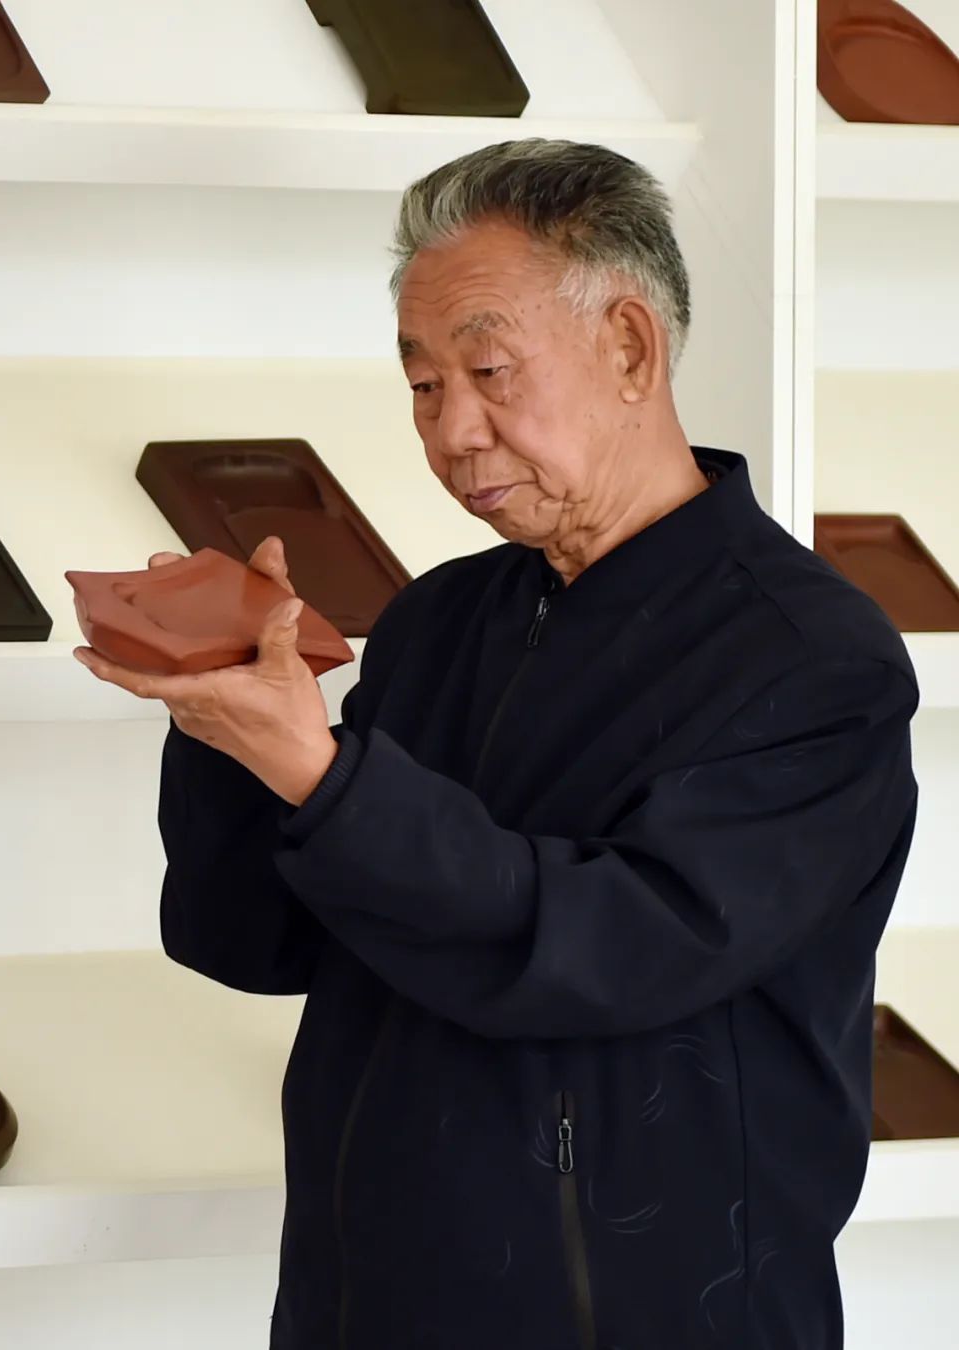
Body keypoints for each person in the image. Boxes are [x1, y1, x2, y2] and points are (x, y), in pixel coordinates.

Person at [75, 140, 919, 1349]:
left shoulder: (812, 660)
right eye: (424, 385)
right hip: (359, 1306)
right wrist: (226, 718)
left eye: (488, 371)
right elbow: (257, 941)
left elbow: (607, 950)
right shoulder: (442, 618)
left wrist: (320, 772)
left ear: (630, 349)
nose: (453, 431)